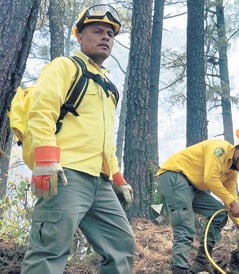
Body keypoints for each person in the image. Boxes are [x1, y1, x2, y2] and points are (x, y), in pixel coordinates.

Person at [21, 5, 135, 274]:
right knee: (50, 247)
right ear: (80, 37)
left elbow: (106, 141)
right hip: (65, 174)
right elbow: (41, 112)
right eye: (97, 31)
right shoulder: (64, 66)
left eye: (110, 33)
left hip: (100, 182)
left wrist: (117, 178)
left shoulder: (108, 86)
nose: (106, 36)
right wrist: (46, 159)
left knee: (121, 243)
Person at [156, 129, 239, 274]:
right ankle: (180, 269)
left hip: (192, 185)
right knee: (185, 227)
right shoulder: (219, 149)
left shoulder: (232, 172)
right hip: (174, 176)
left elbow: (230, 198)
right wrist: (233, 203)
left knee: (219, 214)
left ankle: (202, 262)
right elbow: (211, 179)